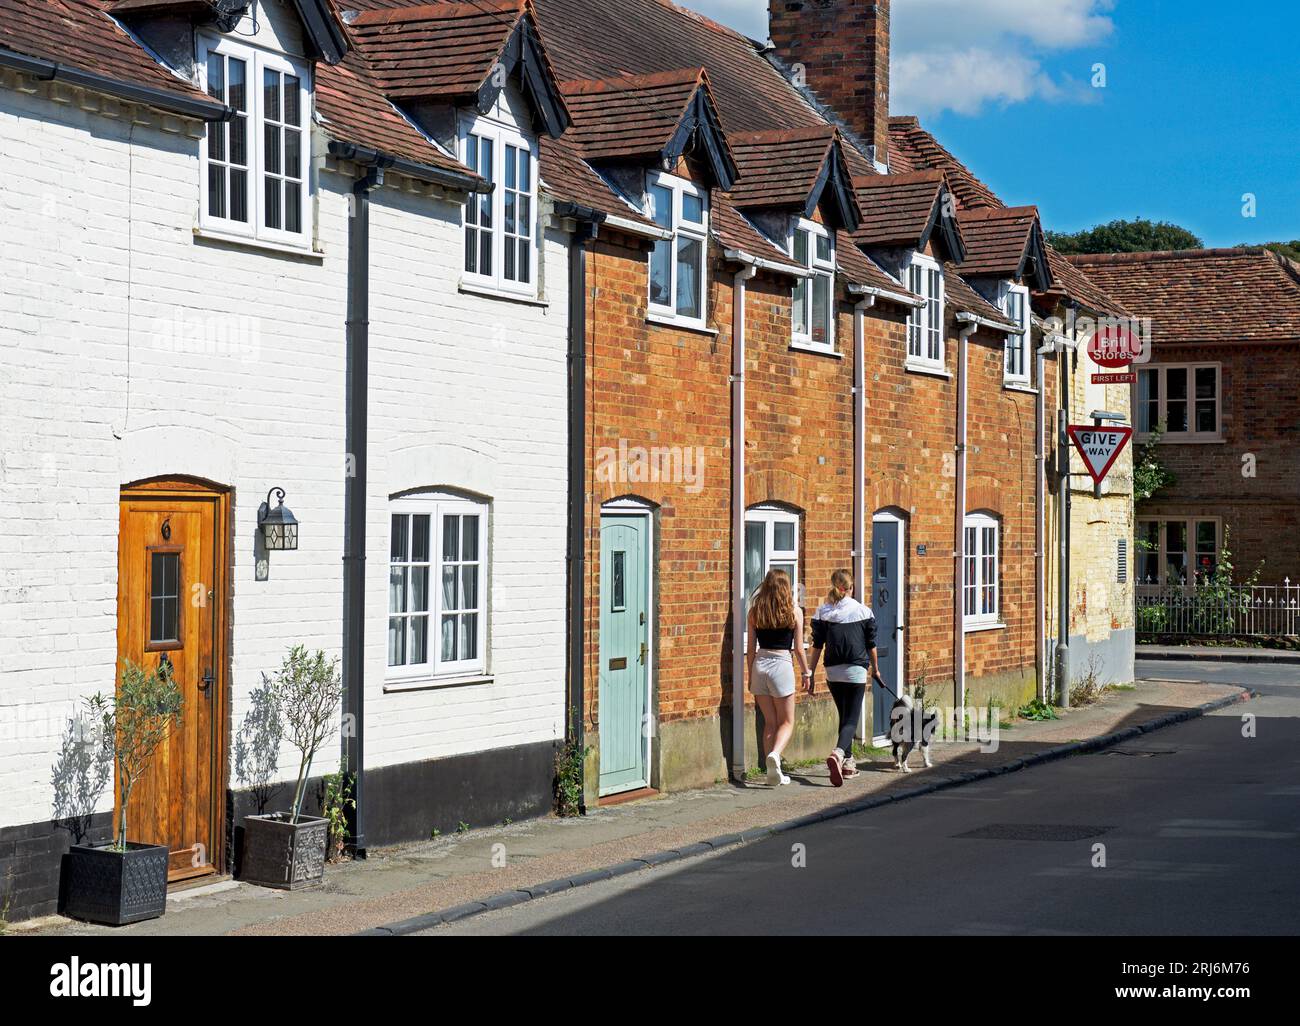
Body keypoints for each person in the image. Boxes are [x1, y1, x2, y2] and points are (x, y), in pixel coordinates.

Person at [808, 569, 882, 787]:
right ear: (851, 587)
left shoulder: (823, 612)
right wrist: (875, 669)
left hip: (833, 671)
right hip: (856, 669)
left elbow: (817, 646)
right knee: (851, 719)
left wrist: (810, 673)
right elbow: (871, 645)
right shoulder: (863, 611)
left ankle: (848, 764)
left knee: (844, 715)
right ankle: (838, 754)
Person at [747, 569, 812, 786]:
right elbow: (799, 649)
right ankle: (775, 755)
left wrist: (750, 676)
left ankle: (771, 774)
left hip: (760, 665)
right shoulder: (794, 612)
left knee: (770, 723)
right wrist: (806, 672)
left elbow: (750, 648)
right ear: (786, 588)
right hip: (781, 665)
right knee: (787, 721)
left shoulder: (755, 611)